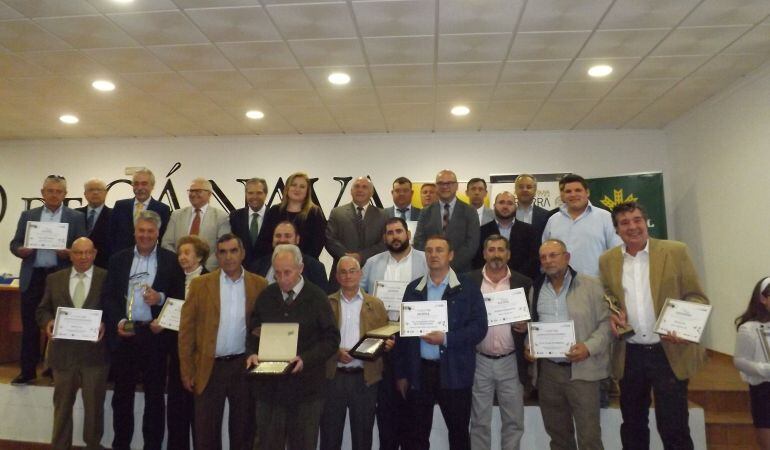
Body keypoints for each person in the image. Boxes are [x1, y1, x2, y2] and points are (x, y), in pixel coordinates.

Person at [599, 201, 709, 450]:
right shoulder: (607, 261)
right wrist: (610, 315)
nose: (632, 227)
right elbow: (608, 299)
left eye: (637, 220)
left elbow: (696, 297)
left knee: (674, 427)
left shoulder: (675, 251)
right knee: (633, 425)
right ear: (617, 230)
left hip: (667, 351)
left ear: (646, 222)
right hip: (630, 354)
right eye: (624, 223)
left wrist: (683, 326)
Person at [101, 210, 185, 450]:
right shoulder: (118, 259)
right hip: (125, 334)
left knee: (155, 398)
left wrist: (160, 300)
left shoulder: (171, 260)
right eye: (141, 231)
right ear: (134, 232)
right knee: (122, 397)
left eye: (150, 231)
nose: (145, 235)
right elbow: (109, 297)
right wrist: (118, 321)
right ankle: (121, 445)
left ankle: (152, 446)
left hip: (155, 336)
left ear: (158, 233)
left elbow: (180, 298)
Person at [394, 236, 487, 450]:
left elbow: (479, 328)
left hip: (455, 371)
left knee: (458, 433)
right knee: (416, 435)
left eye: (439, 250)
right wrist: (401, 374)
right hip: (420, 372)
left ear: (451, 255)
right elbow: (402, 334)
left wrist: (446, 338)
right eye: (429, 250)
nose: (433, 255)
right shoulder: (413, 289)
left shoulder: (468, 288)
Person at [178, 234, 267, 450]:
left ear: (243, 253)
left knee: (243, 430)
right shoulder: (200, 285)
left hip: (243, 367)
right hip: (209, 366)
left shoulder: (259, 284)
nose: (228, 257)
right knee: (205, 432)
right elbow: (186, 331)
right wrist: (187, 370)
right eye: (223, 252)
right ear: (216, 255)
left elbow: (262, 327)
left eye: (233, 251)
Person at [246, 244, 340, 450]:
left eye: (287, 272)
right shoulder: (267, 296)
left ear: (301, 268)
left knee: (303, 444)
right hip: (269, 391)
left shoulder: (317, 297)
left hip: (307, 391)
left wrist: (306, 359)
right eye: (277, 273)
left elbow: (332, 339)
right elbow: (254, 330)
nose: (282, 278)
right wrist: (252, 353)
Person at [528, 239, 610, 450]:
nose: (548, 261)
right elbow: (532, 324)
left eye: (553, 255)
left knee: (589, 438)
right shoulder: (535, 288)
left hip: (582, 372)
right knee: (558, 437)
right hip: (548, 373)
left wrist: (588, 347)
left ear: (567, 257)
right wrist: (529, 345)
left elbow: (607, 324)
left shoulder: (591, 285)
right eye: (544, 257)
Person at [9, 174, 86, 385]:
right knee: (30, 325)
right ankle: (27, 371)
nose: (54, 195)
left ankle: (54, 368)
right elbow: (14, 243)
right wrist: (21, 250)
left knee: (60, 324)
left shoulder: (76, 217)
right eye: (50, 191)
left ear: (65, 194)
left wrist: (69, 253)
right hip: (33, 275)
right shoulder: (28, 215)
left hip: (60, 277)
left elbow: (82, 248)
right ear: (42, 193)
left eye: (58, 191)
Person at [359, 216, 427, 450]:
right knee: (387, 412)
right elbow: (362, 299)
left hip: (415, 343)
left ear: (407, 233)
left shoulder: (425, 260)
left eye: (398, 231)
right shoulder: (372, 263)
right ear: (384, 237)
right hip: (381, 342)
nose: (394, 236)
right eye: (389, 233)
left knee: (415, 412)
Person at [35, 237, 108, 450]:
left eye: (88, 252)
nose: (83, 257)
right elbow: (42, 309)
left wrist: (105, 323)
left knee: (94, 409)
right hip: (62, 355)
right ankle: (59, 446)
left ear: (94, 253)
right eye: (78, 252)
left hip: (95, 355)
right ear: (70, 254)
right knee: (62, 408)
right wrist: (47, 322)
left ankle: (93, 445)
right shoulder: (54, 279)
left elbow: (114, 309)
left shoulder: (107, 278)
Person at [467, 235, 532, 450]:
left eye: (501, 250)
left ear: (508, 254)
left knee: (514, 421)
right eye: (491, 249)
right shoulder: (469, 281)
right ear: (484, 254)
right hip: (479, 361)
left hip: (511, 361)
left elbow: (535, 318)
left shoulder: (523, 282)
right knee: (479, 422)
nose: (496, 254)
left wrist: (526, 326)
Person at [320, 256, 390, 450]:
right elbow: (318, 339)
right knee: (329, 435)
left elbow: (383, 338)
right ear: (336, 276)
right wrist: (335, 352)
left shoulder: (375, 304)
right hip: (333, 378)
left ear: (360, 274)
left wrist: (387, 344)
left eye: (352, 271)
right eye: (343, 271)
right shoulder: (326, 303)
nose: (348, 275)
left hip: (364, 379)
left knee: (362, 437)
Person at [162, 235, 210, 450]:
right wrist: (160, 321)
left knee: (199, 413)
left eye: (187, 253)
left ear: (199, 256)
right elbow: (168, 312)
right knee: (176, 411)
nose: (182, 257)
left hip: (201, 355)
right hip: (176, 353)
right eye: (180, 253)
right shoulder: (172, 279)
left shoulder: (211, 281)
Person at [542, 173, 621, 277]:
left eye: (578, 190)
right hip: (559, 285)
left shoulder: (605, 217)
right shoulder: (553, 220)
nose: (573, 194)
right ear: (563, 195)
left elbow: (617, 253)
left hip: (596, 285)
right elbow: (545, 253)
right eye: (568, 191)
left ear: (587, 192)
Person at [325, 176, 387, 291]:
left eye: (364, 187)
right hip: (342, 274)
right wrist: (347, 257)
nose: (360, 190)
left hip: (372, 274)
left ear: (371, 192)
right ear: (351, 191)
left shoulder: (383, 215)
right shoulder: (337, 212)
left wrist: (360, 256)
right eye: (357, 186)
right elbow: (330, 240)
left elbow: (384, 244)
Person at [413, 170, 480, 273]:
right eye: (441, 183)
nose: (445, 187)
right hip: (431, 271)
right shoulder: (425, 212)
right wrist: (434, 264)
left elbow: (471, 244)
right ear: (436, 186)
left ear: (456, 186)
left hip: (461, 272)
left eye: (449, 183)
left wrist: (448, 267)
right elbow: (419, 242)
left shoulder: (470, 211)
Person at [161, 177, 231, 271]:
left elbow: (222, 247)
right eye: (191, 191)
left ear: (209, 194)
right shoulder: (176, 215)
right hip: (178, 271)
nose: (193, 194)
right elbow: (166, 243)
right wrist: (180, 263)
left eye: (198, 191)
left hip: (208, 273)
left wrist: (202, 269)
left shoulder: (221, 217)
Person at [734, 277, 770, 450]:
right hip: (764, 391)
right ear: (763, 299)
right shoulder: (749, 328)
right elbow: (739, 360)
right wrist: (763, 370)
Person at [258, 172, 327, 259]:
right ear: (287, 188)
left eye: (302, 187)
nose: (297, 189)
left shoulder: (314, 212)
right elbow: (264, 240)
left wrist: (297, 262)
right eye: (293, 185)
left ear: (307, 191)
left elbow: (317, 244)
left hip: (305, 264)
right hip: (275, 262)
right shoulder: (274, 211)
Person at [472, 191, 538, 279]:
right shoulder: (481, 231)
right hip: (488, 281)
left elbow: (533, 259)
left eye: (510, 203)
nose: (505, 206)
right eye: (501, 202)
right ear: (494, 206)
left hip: (521, 282)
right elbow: (477, 260)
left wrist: (517, 278)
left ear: (516, 207)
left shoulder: (530, 231)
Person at [248, 220, 328, 292]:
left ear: (297, 239)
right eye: (278, 236)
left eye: (288, 236)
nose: (282, 240)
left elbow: (321, 303)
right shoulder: (257, 267)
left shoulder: (315, 268)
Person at [108, 168, 171, 255]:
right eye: (136, 184)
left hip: (150, 258)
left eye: (144, 184)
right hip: (122, 260)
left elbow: (163, 239)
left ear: (152, 186)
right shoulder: (120, 206)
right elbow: (111, 235)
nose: (140, 188)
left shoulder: (162, 209)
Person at [229, 177, 273, 268]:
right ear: (246, 194)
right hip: (241, 271)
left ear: (266, 194)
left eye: (259, 193)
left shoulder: (275, 215)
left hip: (268, 270)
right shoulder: (235, 217)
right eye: (250, 193)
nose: (254, 197)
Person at [76, 178, 112, 268]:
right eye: (91, 190)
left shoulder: (115, 215)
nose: (95, 193)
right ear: (85, 194)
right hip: (78, 266)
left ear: (106, 193)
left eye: (99, 190)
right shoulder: (75, 214)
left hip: (104, 267)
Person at [514, 174, 551, 241]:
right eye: (521, 187)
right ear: (515, 190)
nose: (525, 190)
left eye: (529, 187)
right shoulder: (508, 214)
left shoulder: (546, 215)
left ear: (535, 190)